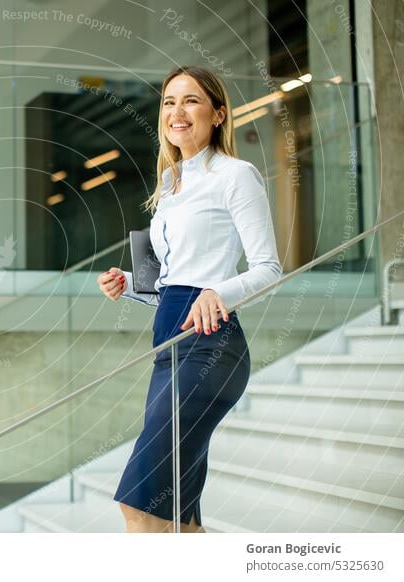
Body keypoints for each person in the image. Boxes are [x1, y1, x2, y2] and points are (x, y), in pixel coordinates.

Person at [97, 65, 282, 533]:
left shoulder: (236, 176)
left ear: (218, 114)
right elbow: (171, 288)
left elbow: (269, 269)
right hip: (167, 346)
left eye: (192, 101)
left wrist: (219, 291)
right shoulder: (170, 187)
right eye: (168, 102)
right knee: (180, 519)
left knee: (140, 507)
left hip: (210, 347)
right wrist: (131, 284)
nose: (177, 112)